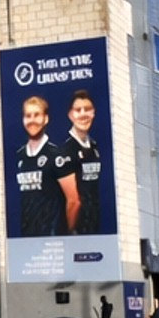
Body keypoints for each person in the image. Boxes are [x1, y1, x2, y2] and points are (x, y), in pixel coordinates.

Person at [16, 96, 74, 236]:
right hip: (25, 242)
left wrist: (66, 236)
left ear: (45, 118)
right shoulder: (19, 156)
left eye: (37, 115)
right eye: (28, 116)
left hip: (52, 242)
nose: (32, 120)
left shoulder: (56, 155)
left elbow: (73, 200)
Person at [61, 91, 103, 234]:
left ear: (94, 113)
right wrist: (70, 233)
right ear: (70, 114)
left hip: (93, 228)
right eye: (78, 110)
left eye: (88, 109)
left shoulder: (94, 147)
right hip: (75, 233)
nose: (83, 114)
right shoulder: (67, 150)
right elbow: (73, 201)